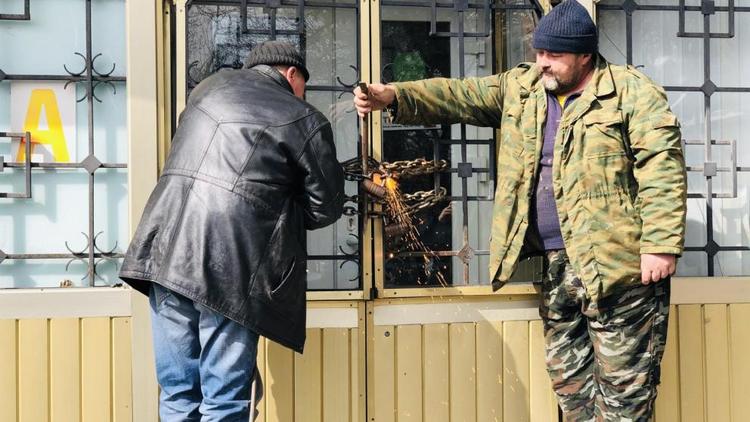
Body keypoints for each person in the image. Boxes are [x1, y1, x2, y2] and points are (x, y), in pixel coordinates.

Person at [353, 1, 686, 420]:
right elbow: (459, 95)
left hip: (618, 270)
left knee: (624, 399)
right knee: (572, 392)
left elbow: (663, 166)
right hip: (557, 267)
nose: (543, 63)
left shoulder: (630, 92)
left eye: (554, 56)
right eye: (539, 53)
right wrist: (395, 96)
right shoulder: (523, 88)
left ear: (585, 55)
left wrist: (660, 243)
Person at [120, 41, 345, 421]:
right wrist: (282, 207)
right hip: (232, 266)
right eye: (304, 84)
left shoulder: (206, 91)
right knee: (224, 399)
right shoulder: (301, 116)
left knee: (178, 393)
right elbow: (326, 206)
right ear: (291, 74)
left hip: (163, 253)